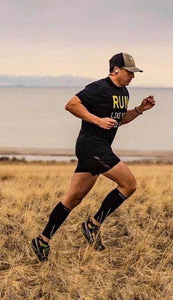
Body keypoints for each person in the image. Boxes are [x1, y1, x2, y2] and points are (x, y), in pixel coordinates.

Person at [31, 52, 156, 261]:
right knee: (129, 184)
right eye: (129, 72)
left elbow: (119, 119)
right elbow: (71, 104)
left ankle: (42, 241)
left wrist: (140, 109)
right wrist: (97, 120)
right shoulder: (99, 88)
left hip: (99, 147)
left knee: (73, 198)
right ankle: (93, 225)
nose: (132, 76)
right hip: (92, 147)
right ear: (116, 69)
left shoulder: (123, 92)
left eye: (134, 73)